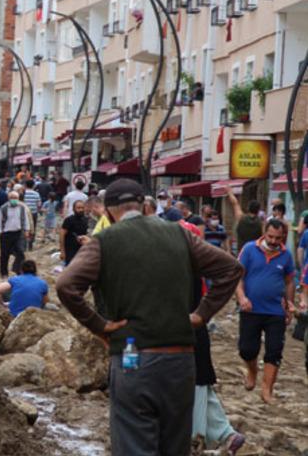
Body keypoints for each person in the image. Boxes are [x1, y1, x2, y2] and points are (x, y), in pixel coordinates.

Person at [56, 178, 242, 456]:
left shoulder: (103, 242)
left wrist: (100, 326)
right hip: (180, 361)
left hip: (133, 360)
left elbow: (65, 286)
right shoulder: (180, 235)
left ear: (108, 213)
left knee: (134, 442)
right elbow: (231, 269)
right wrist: (202, 314)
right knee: (174, 446)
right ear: (145, 206)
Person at [180, 219, 247, 454]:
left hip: (189, 339)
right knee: (201, 387)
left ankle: (196, 438)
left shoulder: (185, 273)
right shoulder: (195, 270)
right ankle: (226, 434)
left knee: (196, 387)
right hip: (195, 336)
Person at [236, 219, 295, 404]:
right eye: (270, 236)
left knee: (275, 350)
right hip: (250, 309)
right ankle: (252, 371)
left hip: (275, 311)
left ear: (283, 237)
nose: (273, 240)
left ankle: (267, 390)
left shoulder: (286, 255)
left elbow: (289, 281)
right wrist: (241, 297)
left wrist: (290, 303)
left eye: (278, 238)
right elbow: (238, 277)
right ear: (264, 232)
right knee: (247, 349)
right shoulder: (249, 249)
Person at [0, 191, 33, 277]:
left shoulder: (21, 208)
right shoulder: (3, 208)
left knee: (20, 252)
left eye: (16, 198)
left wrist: (27, 230)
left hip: (18, 233)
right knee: (4, 254)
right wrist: (0, 232)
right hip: (6, 234)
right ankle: (4, 273)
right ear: (9, 199)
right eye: (12, 198)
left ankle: (17, 269)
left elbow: (25, 219)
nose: (14, 200)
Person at [226, 187, 263, 252]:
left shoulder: (241, 218)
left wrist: (229, 192)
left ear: (248, 208)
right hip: (256, 252)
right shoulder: (261, 223)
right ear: (258, 211)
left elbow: (235, 203)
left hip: (242, 251)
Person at [60, 200, 88, 265]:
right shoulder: (69, 220)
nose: (81, 210)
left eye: (82, 208)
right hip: (70, 250)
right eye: (78, 208)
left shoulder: (85, 220)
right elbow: (61, 235)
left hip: (81, 250)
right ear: (73, 209)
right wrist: (62, 251)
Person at [23, 180, 42, 249]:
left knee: (24, 227)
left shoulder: (23, 193)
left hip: (24, 213)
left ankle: (24, 243)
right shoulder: (36, 194)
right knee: (32, 228)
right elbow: (39, 204)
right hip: (33, 213)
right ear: (33, 185)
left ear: (25, 185)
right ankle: (30, 244)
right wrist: (39, 210)